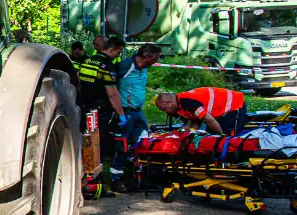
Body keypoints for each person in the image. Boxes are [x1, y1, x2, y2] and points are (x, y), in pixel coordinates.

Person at [77, 36, 128, 196]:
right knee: (98, 146)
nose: (118, 56)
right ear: (113, 48)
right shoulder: (107, 65)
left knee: (87, 145)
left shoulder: (89, 61)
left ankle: (86, 182)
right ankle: (95, 185)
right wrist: (121, 115)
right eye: (118, 52)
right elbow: (112, 93)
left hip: (86, 109)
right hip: (100, 112)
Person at [110, 43, 162, 191]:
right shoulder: (125, 66)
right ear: (147, 57)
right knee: (122, 145)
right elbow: (110, 86)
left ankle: (141, 176)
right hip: (125, 112)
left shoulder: (144, 68)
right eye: (155, 59)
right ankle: (116, 178)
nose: (156, 62)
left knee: (144, 142)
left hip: (138, 112)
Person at [154, 87, 247, 135]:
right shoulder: (181, 102)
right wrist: (181, 132)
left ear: (170, 102)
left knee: (229, 135)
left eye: (164, 109)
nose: (165, 112)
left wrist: (221, 135)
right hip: (223, 109)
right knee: (212, 134)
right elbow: (194, 122)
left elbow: (210, 120)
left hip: (234, 105)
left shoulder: (188, 103)